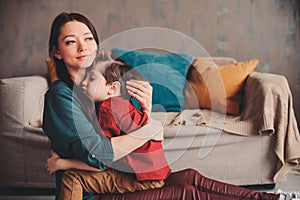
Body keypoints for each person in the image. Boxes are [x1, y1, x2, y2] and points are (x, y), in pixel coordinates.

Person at [43, 11, 294, 200]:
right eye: (70, 42)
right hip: (93, 190)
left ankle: (273, 198)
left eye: (88, 38)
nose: (83, 46)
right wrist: (150, 129)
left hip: (120, 176)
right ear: (56, 52)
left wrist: (147, 110)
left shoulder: (98, 89)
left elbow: (131, 135)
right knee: (184, 193)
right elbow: (99, 155)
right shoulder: (61, 96)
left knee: (190, 176)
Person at [46, 57, 171, 199]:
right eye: (85, 77)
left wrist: (62, 164)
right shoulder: (122, 105)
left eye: (92, 78)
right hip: (154, 174)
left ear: (112, 88)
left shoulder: (107, 110)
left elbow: (102, 160)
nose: (84, 83)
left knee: (72, 177)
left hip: (140, 179)